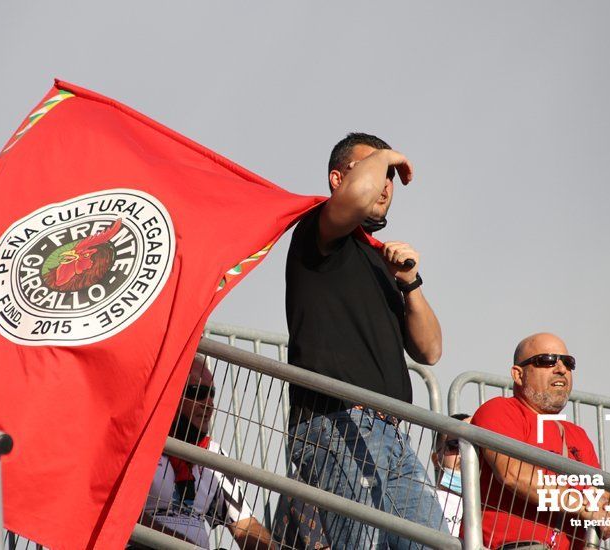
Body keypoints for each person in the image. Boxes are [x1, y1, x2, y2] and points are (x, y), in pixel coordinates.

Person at [284, 132, 447, 549]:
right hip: (337, 421)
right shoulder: (318, 230)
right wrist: (387, 154)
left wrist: (410, 283)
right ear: (338, 179)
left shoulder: (379, 258)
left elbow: (430, 350)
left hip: (392, 434)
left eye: (390, 175)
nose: (386, 182)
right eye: (375, 171)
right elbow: (357, 198)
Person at [470, 333, 610, 550]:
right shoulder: (500, 410)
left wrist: (609, 513)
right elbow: (513, 473)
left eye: (568, 363)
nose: (561, 369)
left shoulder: (577, 435)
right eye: (547, 360)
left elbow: (604, 499)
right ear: (518, 374)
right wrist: (579, 502)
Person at [134, 354, 274, 550]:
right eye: (196, 392)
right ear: (170, 393)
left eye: (212, 394)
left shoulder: (213, 454)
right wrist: (180, 546)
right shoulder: (139, 445)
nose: (208, 403)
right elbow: (126, 518)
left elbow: (246, 525)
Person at [431, 413, 472, 536]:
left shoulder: (493, 506)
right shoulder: (426, 502)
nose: (463, 454)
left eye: (473, 447)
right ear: (436, 459)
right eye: (455, 445)